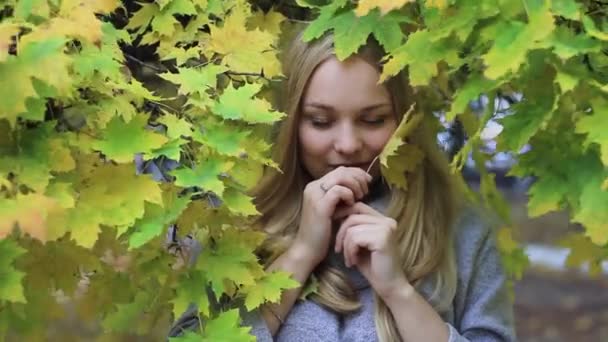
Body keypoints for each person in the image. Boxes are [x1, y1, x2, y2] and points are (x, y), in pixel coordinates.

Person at [169, 29, 516, 342]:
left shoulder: (463, 232)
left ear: (405, 120)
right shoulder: (231, 229)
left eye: (373, 120)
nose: (348, 144)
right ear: (290, 125)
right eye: (321, 121)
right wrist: (300, 255)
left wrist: (398, 292)